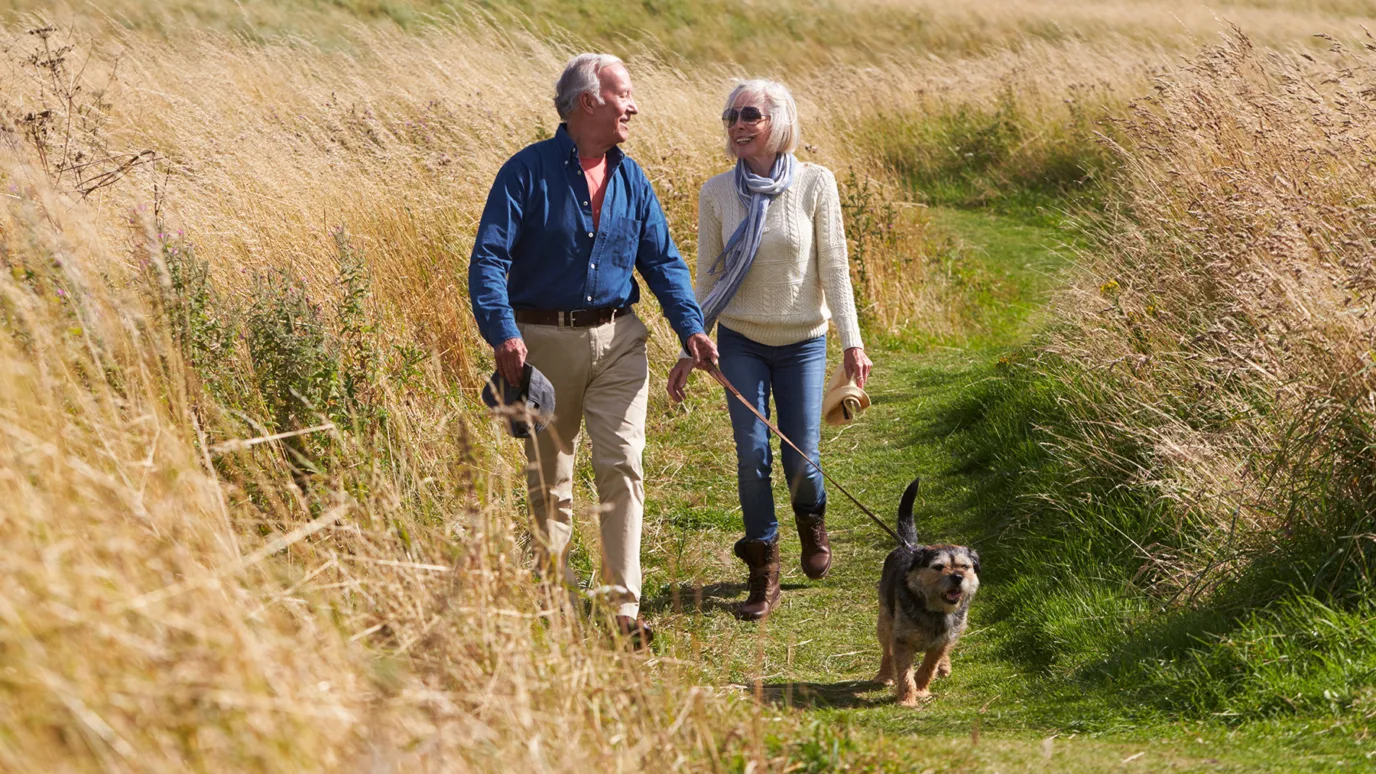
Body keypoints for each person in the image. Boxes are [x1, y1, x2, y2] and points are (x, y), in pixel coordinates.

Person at [469, 53, 718, 645]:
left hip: (621, 340)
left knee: (622, 466)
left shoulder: (632, 179)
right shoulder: (524, 173)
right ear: (589, 102)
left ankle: (621, 611)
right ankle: (550, 600)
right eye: (623, 94)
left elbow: (662, 261)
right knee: (550, 478)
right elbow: (489, 260)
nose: (633, 106)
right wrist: (503, 332)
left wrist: (691, 327)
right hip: (539, 347)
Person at [667, 79, 873, 621]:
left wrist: (852, 341)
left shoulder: (814, 183)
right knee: (752, 453)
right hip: (740, 340)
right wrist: (693, 341)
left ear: (777, 122)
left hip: (804, 341)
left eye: (749, 114)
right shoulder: (715, 193)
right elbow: (707, 277)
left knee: (802, 454)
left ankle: (812, 521)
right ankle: (764, 569)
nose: (737, 125)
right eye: (730, 115)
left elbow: (835, 269)